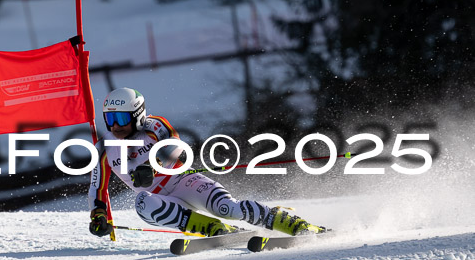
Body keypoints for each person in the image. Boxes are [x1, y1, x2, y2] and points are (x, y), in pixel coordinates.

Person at [88, 87, 326, 238]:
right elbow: (97, 189)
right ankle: (210, 228)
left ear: (138, 115)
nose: (116, 126)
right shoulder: (104, 149)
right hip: (163, 199)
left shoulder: (154, 126)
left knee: (229, 209)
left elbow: (178, 151)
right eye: (110, 119)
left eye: (121, 118)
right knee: (142, 202)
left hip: (184, 182)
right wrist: (98, 216)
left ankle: (294, 224)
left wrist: (154, 164)